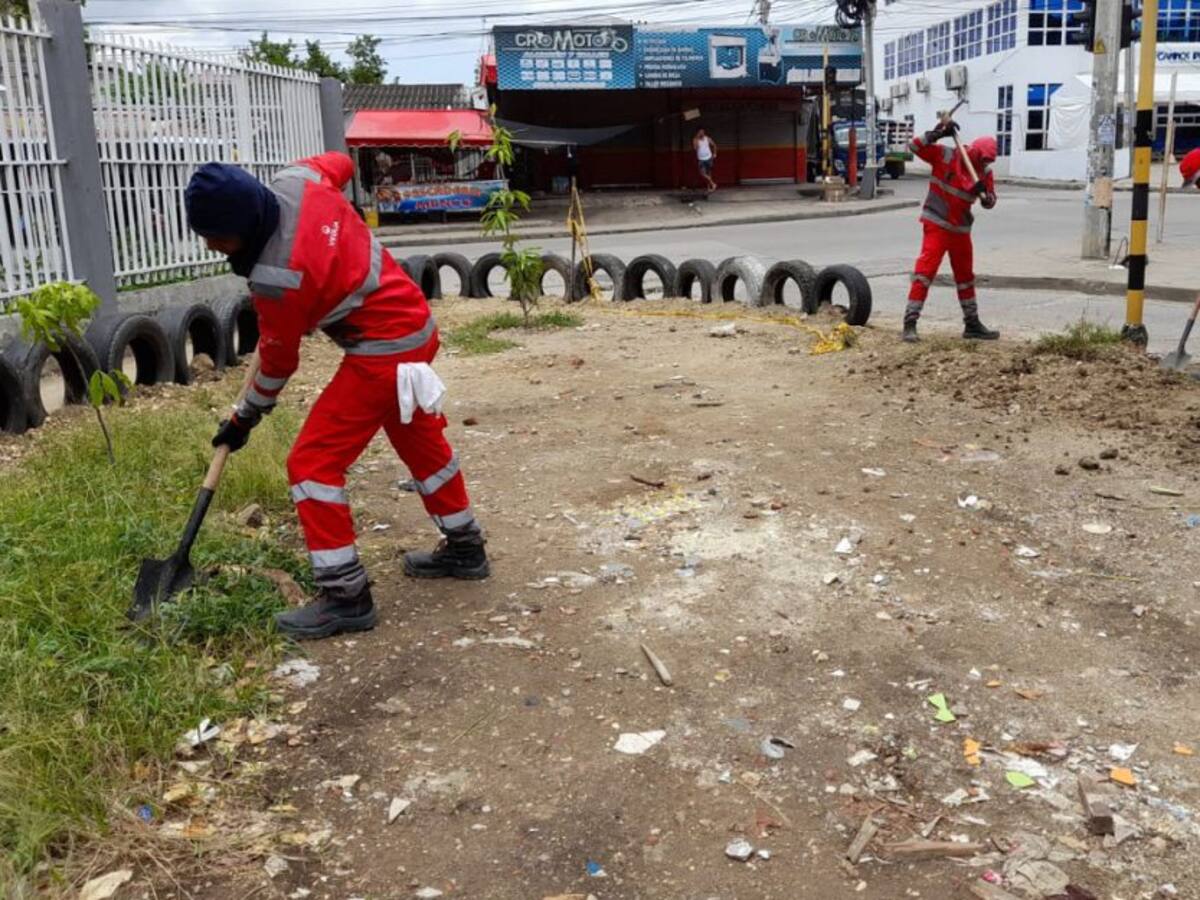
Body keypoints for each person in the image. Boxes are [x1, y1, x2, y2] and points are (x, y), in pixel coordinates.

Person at [184, 153, 489, 640]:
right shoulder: (300, 179)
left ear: (241, 226)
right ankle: (465, 546)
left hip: (384, 350)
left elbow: (279, 364)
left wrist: (244, 418)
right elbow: (341, 163)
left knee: (311, 463)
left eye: (215, 236)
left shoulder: (277, 278)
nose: (210, 245)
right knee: (420, 442)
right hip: (415, 325)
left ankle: (345, 595)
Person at [903, 118, 999, 343]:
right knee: (925, 273)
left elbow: (991, 201)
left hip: (960, 229)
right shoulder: (946, 155)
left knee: (965, 277)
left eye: (987, 161)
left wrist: (985, 196)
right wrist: (937, 133)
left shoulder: (984, 173)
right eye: (982, 159)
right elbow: (915, 146)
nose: (984, 164)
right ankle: (910, 322)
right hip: (937, 223)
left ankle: (972, 323)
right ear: (974, 151)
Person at [693, 128, 717, 193]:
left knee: (709, 173)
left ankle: (709, 187)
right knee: (702, 173)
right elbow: (696, 148)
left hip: (709, 158)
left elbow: (714, 145)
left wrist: (714, 153)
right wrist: (697, 139)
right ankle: (713, 184)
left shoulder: (707, 138)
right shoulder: (695, 140)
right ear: (697, 133)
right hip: (701, 159)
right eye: (700, 132)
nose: (702, 133)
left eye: (703, 132)